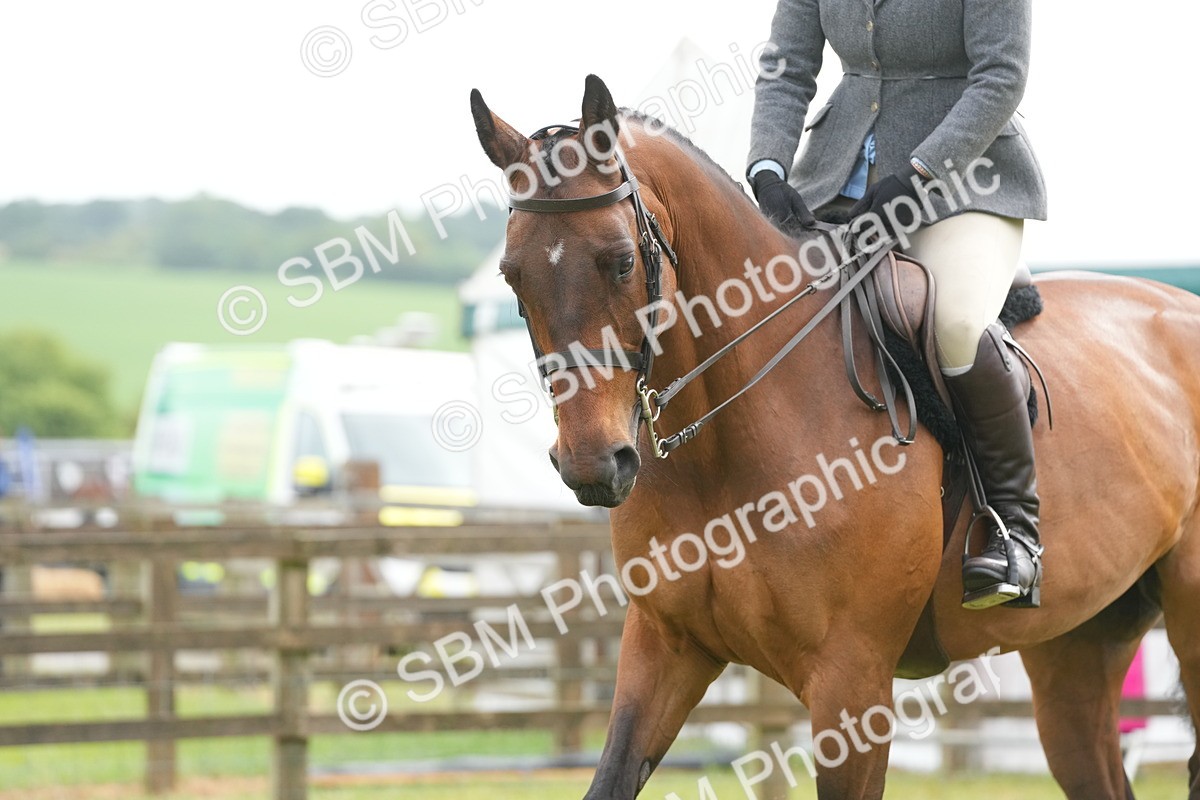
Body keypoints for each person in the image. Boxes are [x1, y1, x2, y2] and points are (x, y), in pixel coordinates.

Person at [746, 0, 1048, 609]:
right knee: (745, 306)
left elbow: (1002, 76)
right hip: (836, 180)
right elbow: (786, 68)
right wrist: (768, 168)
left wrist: (918, 172)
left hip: (965, 182)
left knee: (956, 324)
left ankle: (1015, 531)